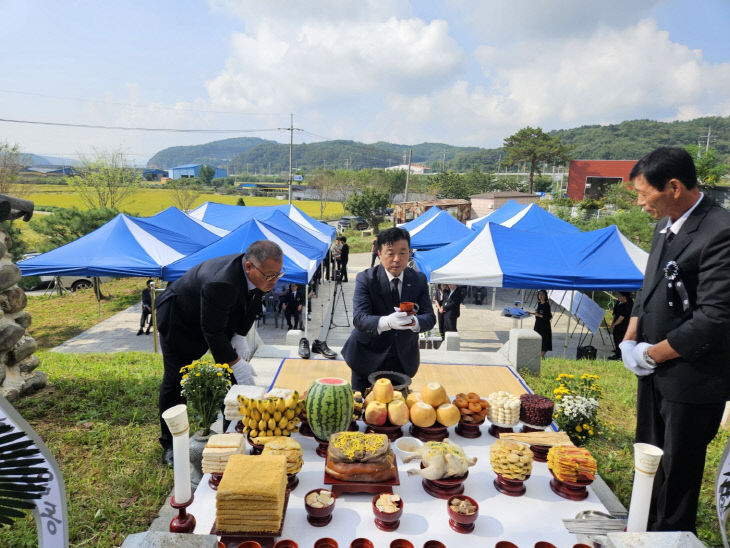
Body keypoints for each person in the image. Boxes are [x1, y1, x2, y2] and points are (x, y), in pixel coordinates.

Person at [620, 147, 730, 533]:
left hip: (693, 375)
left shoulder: (720, 231)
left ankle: (669, 537)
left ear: (674, 187)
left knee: (678, 468)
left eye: (643, 193)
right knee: (648, 458)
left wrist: (653, 354)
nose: (639, 202)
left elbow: (715, 317)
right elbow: (648, 288)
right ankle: (640, 529)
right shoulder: (665, 223)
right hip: (654, 369)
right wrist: (630, 338)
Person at [155, 240, 284, 466]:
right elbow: (212, 332)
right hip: (181, 319)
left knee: (233, 379)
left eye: (278, 274)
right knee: (175, 380)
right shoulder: (222, 282)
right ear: (249, 267)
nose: (273, 282)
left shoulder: (262, 275)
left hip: (217, 316)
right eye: (269, 276)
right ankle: (170, 444)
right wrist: (235, 362)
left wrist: (240, 335)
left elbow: (253, 302)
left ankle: (232, 434)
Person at [341, 227, 436, 392]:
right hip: (366, 355)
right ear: (379, 253)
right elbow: (360, 318)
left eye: (403, 253)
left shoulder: (418, 279)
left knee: (397, 410)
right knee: (363, 407)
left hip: (402, 358)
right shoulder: (366, 279)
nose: (397, 259)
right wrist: (387, 322)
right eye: (390, 253)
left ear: (410, 253)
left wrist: (414, 322)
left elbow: (429, 317)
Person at [608, 292, 633, 359]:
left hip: (622, 326)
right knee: (616, 339)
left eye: (619, 296)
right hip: (618, 324)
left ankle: (618, 355)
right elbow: (616, 313)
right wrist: (612, 321)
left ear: (624, 297)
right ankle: (617, 350)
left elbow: (621, 318)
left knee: (619, 339)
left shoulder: (627, 305)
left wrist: (613, 325)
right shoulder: (619, 302)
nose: (618, 297)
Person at [529, 289, 552, 358]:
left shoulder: (546, 305)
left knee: (544, 341)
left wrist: (538, 315)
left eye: (542, 294)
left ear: (545, 296)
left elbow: (549, 317)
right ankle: (539, 357)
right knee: (537, 340)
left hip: (544, 326)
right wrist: (530, 313)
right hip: (538, 325)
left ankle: (541, 357)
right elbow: (538, 313)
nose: (541, 296)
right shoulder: (539, 303)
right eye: (539, 294)